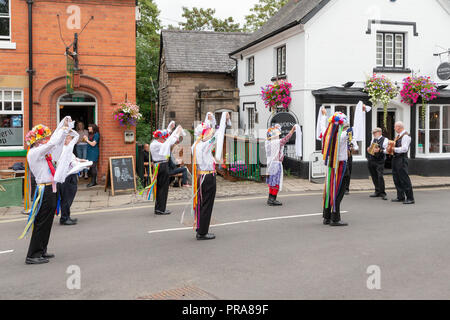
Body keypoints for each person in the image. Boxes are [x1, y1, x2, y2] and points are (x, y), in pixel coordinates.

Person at [20, 117, 73, 264]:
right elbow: (52, 143)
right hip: (44, 190)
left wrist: (65, 131)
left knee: (47, 222)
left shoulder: (43, 154)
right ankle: (33, 255)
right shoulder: (34, 152)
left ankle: (42, 250)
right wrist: (63, 128)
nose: (45, 140)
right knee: (41, 222)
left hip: (51, 188)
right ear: (36, 140)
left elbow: (57, 145)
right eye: (43, 138)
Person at [190, 112, 231, 240]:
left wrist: (210, 121)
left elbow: (209, 134)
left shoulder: (195, 145)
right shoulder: (204, 146)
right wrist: (223, 119)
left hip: (201, 177)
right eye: (208, 132)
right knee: (207, 204)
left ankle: (200, 228)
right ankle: (202, 232)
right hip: (207, 177)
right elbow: (217, 136)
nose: (210, 133)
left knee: (202, 203)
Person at [319, 109, 350, 227]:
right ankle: (335, 218)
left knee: (329, 190)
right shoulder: (343, 135)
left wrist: (323, 116)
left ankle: (326, 217)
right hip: (340, 165)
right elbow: (357, 130)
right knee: (338, 191)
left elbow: (322, 127)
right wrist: (361, 113)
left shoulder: (327, 135)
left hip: (330, 166)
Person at [149, 125, 184, 215]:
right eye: (164, 138)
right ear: (160, 138)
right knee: (163, 188)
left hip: (159, 166)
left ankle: (158, 208)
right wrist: (178, 133)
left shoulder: (155, 143)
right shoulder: (158, 144)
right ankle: (161, 209)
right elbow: (170, 141)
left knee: (160, 188)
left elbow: (166, 136)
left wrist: (171, 128)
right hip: (162, 166)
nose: (165, 139)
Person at [265, 124, 296, 206]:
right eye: (278, 134)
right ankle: (273, 199)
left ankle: (270, 198)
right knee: (276, 183)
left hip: (270, 164)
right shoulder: (277, 142)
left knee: (272, 182)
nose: (279, 135)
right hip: (276, 164)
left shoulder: (268, 143)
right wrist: (292, 131)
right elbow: (286, 139)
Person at [389, 121, 415, 204]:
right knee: (396, 178)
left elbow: (404, 149)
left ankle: (410, 198)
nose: (394, 128)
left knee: (404, 178)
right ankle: (400, 196)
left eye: (395, 127)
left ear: (399, 127)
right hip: (396, 159)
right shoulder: (398, 136)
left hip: (402, 159)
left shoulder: (406, 136)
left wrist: (394, 149)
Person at [367, 128, 388, 200]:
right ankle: (377, 191)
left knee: (380, 176)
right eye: (373, 133)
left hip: (380, 161)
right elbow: (371, 149)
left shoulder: (385, 139)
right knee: (374, 176)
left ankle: (382, 193)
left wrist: (380, 150)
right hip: (372, 160)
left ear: (379, 132)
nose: (373, 134)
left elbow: (386, 150)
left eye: (374, 133)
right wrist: (369, 149)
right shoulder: (373, 139)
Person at [342, 124, 358, 195]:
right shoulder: (341, 137)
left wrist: (353, 148)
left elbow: (357, 147)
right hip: (341, 157)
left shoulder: (351, 138)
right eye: (345, 129)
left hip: (348, 156)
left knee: (348, 173)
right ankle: (339, 188)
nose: (347, 130)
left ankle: (346, 189)